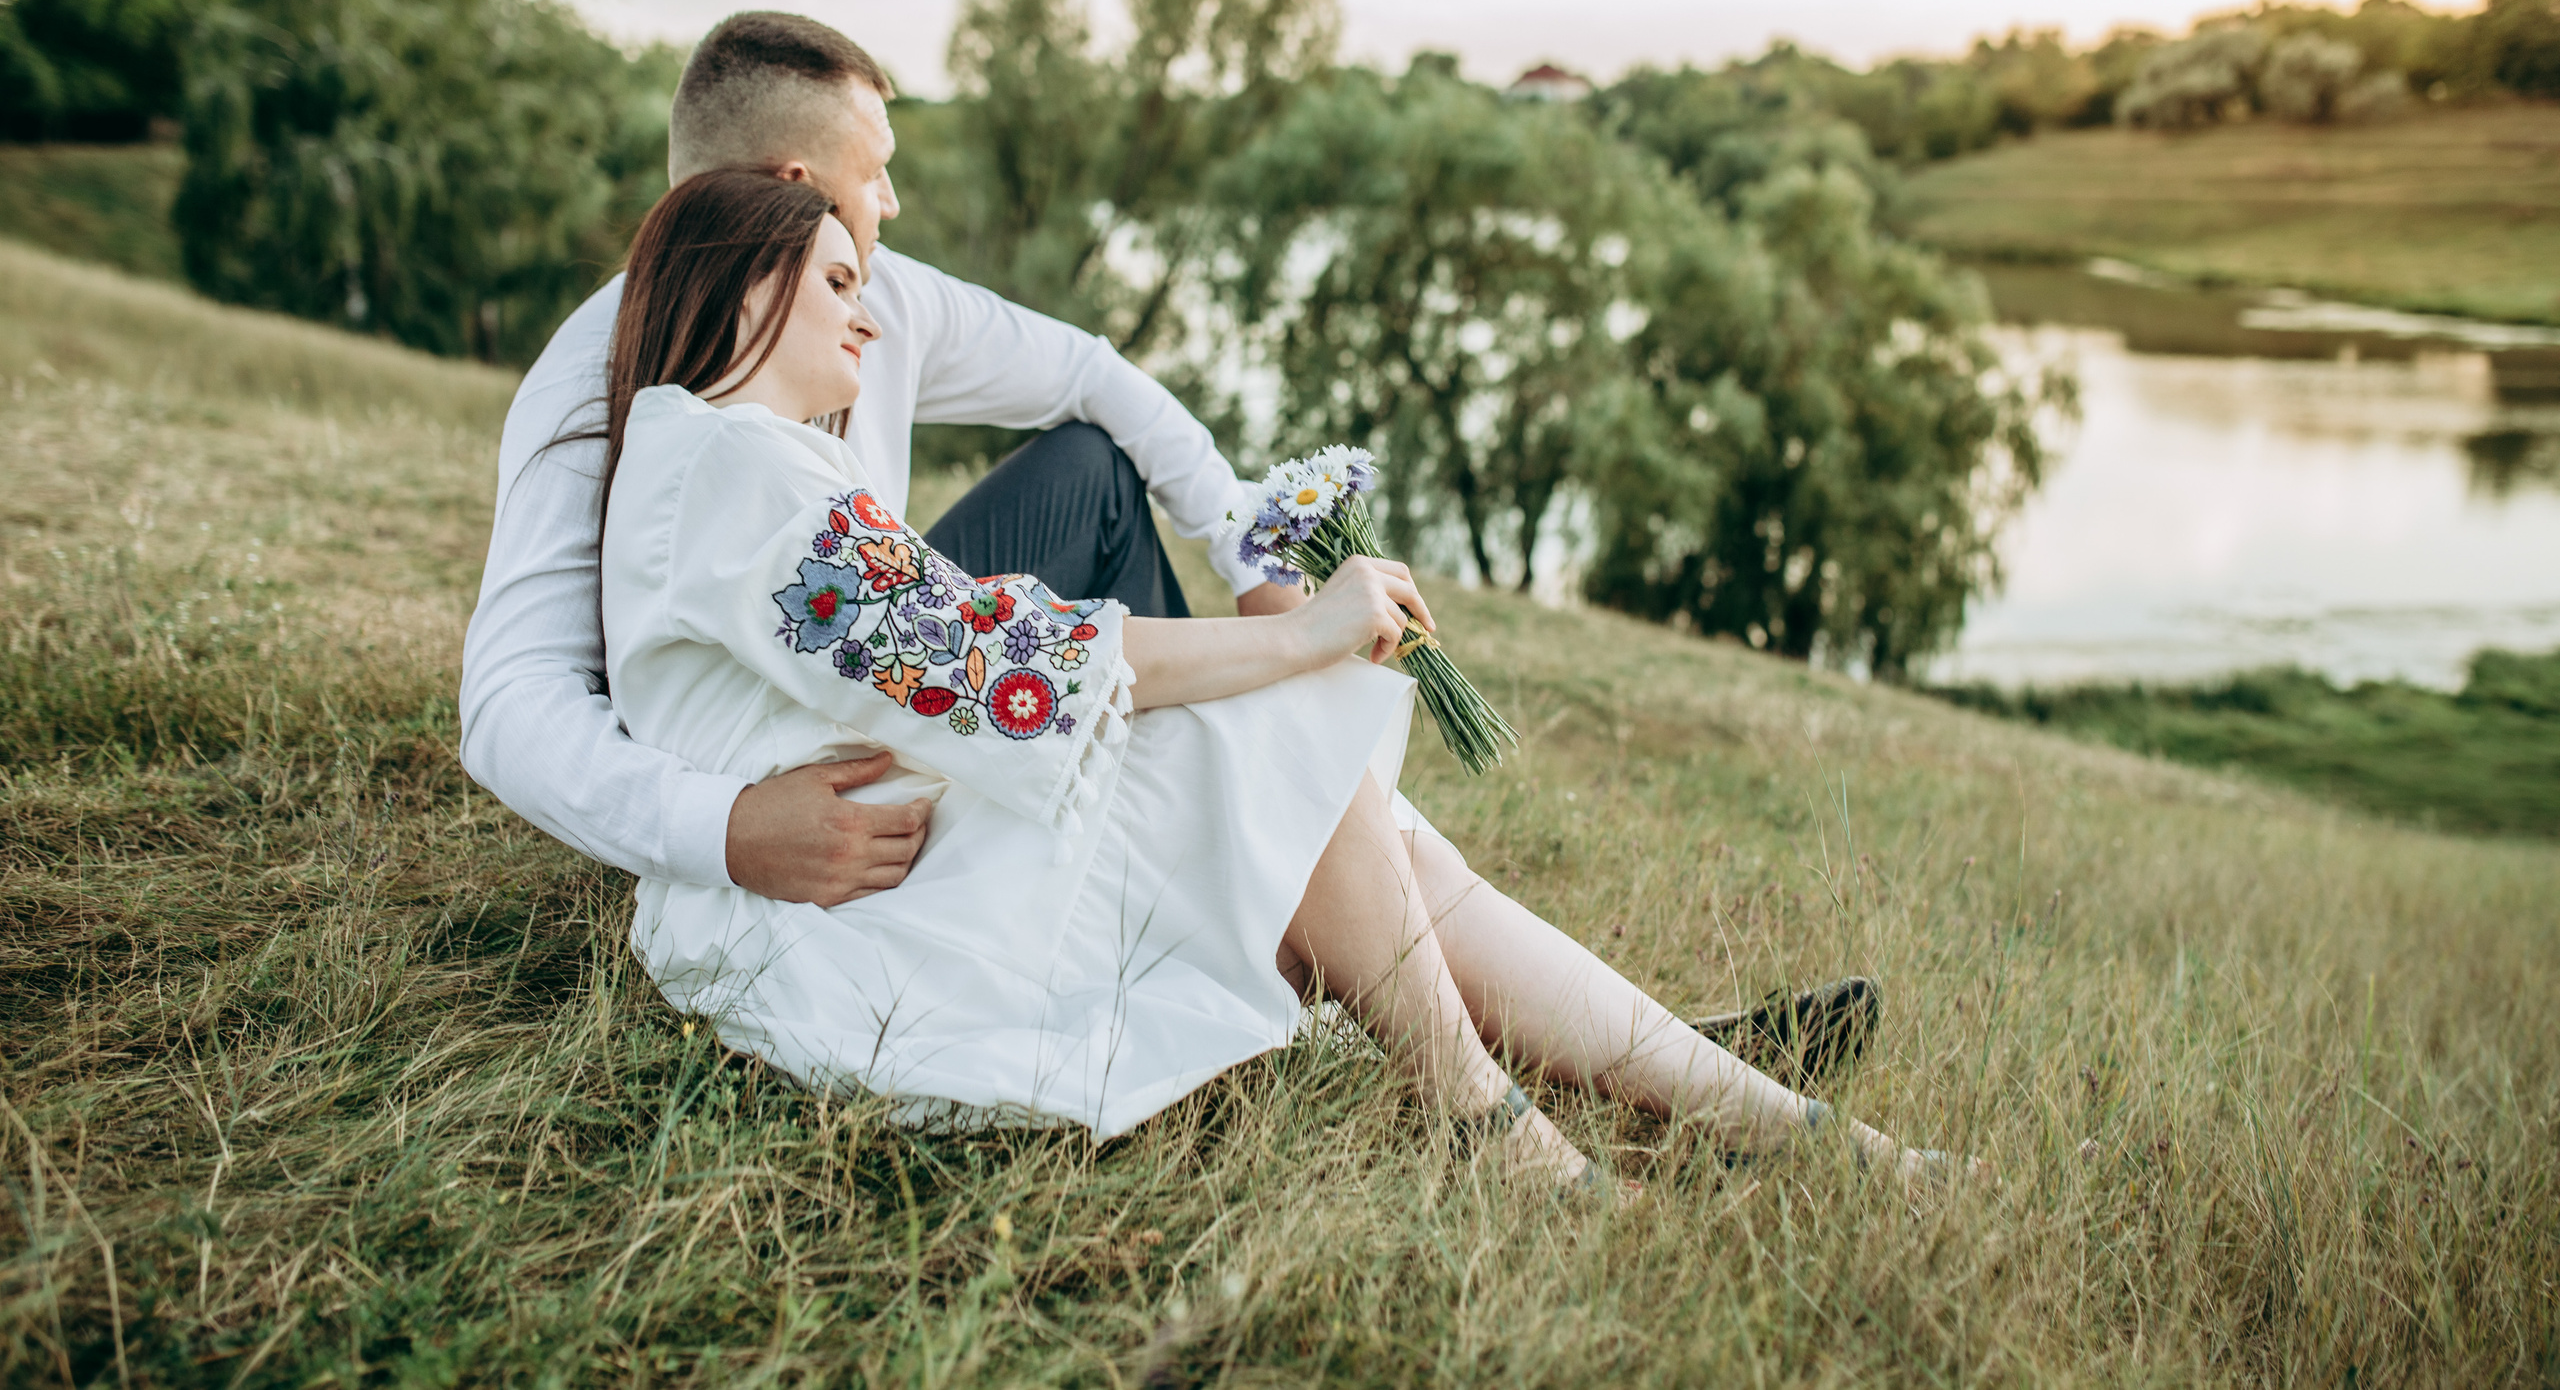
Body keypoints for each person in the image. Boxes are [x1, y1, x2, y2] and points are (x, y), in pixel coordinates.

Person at [458, 9, 1875, 1081]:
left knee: (1093, 484)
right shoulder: (608, 401)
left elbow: (1092, 377)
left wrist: (1249, 544)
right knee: (1247, 755)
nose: (893, 212)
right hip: (794, 789)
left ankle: (1591, 1034)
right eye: (875, 181)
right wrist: (725, 833)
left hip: (898, 682)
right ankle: (1463, 1017)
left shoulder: (869, 317)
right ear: (793, 189)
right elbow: (512, 711)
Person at [587, 166, 1959, 1193]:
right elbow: (1000, 669)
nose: (868, 320)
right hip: (851, 926)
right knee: (1281, 740)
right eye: (836, 282)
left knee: (1350, 814)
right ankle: (1510, 1115)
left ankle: (1744, 1120)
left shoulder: (740, 463)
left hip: (909, 850)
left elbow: (980, 638)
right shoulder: (729, 466)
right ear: (746, 282)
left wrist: (1279, 634)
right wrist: (1303, 638)